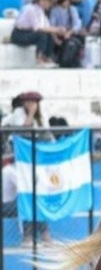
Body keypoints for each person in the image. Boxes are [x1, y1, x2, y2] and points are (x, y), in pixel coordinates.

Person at [1, 91, 52, 246]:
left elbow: (48, 138)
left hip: (38, 165)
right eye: (27, 102)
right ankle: (31, 235)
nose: (30, 104)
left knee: (39, 191)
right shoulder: (18, 114)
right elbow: (24, 132)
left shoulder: (42, 118)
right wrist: (30, 114)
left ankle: (42, 233)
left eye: (33, 102)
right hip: (19, 167)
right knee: (28, 191)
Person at [11, 0, 59, 67]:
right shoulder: (31, 9)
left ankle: (47, 57)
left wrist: (56, 35)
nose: (46, 3)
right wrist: (55, 29)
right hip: (20, 34)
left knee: (49, 34)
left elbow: (47, 26)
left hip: (30, 33)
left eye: (48, 1)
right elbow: (37, 27)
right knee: (41, 35)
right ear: (38, 0)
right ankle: (39, 59)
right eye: (43, 0)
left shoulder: (42, 12)